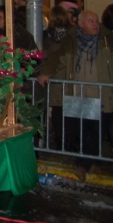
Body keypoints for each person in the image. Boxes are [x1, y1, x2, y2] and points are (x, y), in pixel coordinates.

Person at [38, 11, 113, 180]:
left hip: (102, 93)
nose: (95, 24)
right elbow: (58, 58)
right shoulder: (71, 41)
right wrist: (46, 73)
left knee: (97, 130)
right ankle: (88, 163)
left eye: (96, 21)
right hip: (80, 92)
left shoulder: (107, 39)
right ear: (81, 24)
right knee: (84, 130)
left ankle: (87, 164)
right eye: (91, 21)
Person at [43, 5, 73, 150]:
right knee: (70, 114)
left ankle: (61, 143)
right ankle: (70, 143)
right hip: (69, 78)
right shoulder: (73, 36)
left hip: (54, 79)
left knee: (58, 112)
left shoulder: (47, 37)